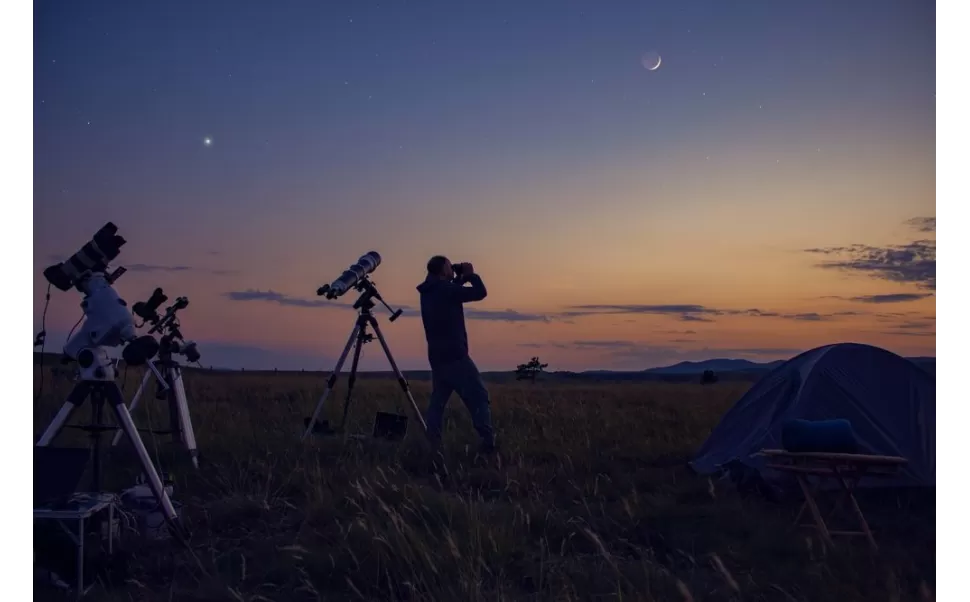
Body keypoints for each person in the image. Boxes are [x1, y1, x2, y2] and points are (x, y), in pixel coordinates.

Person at [416, 255, 497, 455]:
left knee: (438, 401)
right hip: (456, 356)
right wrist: (471, 275)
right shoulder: (446, 289)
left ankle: (432, 443)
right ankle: (488, 443)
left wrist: (458, 278)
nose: (452, 270)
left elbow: (451, 291)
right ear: (443, 270)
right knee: (479, 396)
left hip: (437, 357)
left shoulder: (428, 290)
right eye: (449, 267)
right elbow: (480, 293)